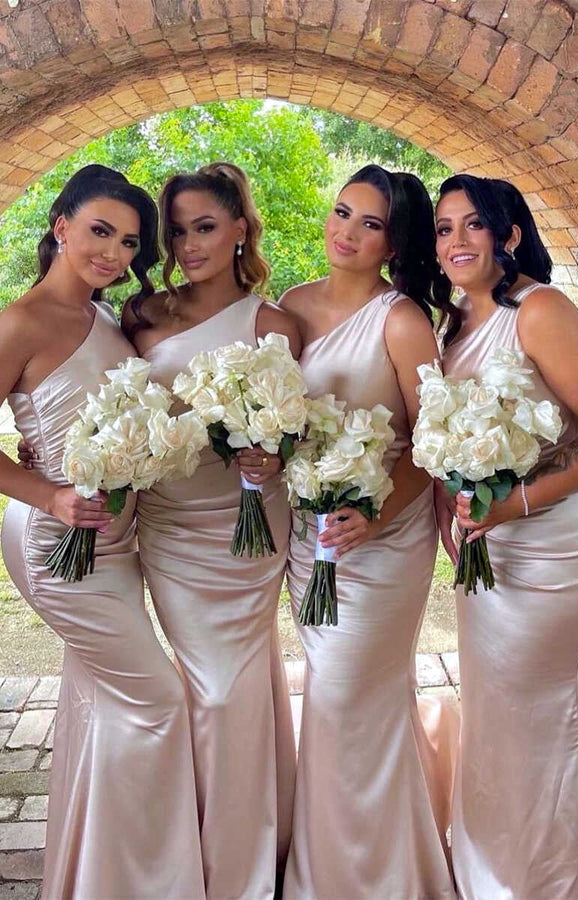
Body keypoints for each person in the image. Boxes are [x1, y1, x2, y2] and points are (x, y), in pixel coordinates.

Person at [0, 165, 204, 899]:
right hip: (59, 547)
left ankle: (96, 878)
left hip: (116, 546)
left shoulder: (106, 317)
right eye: (99, 232)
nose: (114, 253)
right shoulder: (20, 323)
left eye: (128, 242)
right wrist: (49, 493)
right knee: (158, 703)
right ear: (61, 226)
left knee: (106, 701)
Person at [281, 164, 458, 900]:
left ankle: (365, 879)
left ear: (393, 242)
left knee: (350, 696)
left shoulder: (401, 320)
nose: (346, 232)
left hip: (382, 540)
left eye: (370, 223)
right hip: (310, 536)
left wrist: (375, 511)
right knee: (336, 697)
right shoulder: (290, 305)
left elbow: (432, 443)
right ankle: (347, 861)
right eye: (341, 212)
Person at [122, 162, 299, 900]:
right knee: (208, 691)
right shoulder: (143, 315)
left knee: (233, 690)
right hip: (171, 525)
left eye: (204, 227)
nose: (189, 245)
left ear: (239, 230)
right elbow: (108, 397)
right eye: (178, 231)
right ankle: (186, 846)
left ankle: (240, 864)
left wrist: (272, 456)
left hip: (248, 528)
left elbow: (294, 432)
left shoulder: (272, 324)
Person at [436, 173, 578, 899]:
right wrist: (456, 507)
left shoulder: (540, 309)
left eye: (474, 224)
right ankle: (495, 864)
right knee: (497, 709)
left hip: (557, 544)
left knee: (541, 710)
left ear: (508, 235)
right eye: (444, 228)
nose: (456, 241)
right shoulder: (453, 321)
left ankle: (552, 880)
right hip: (490, 544)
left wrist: (520, 502)